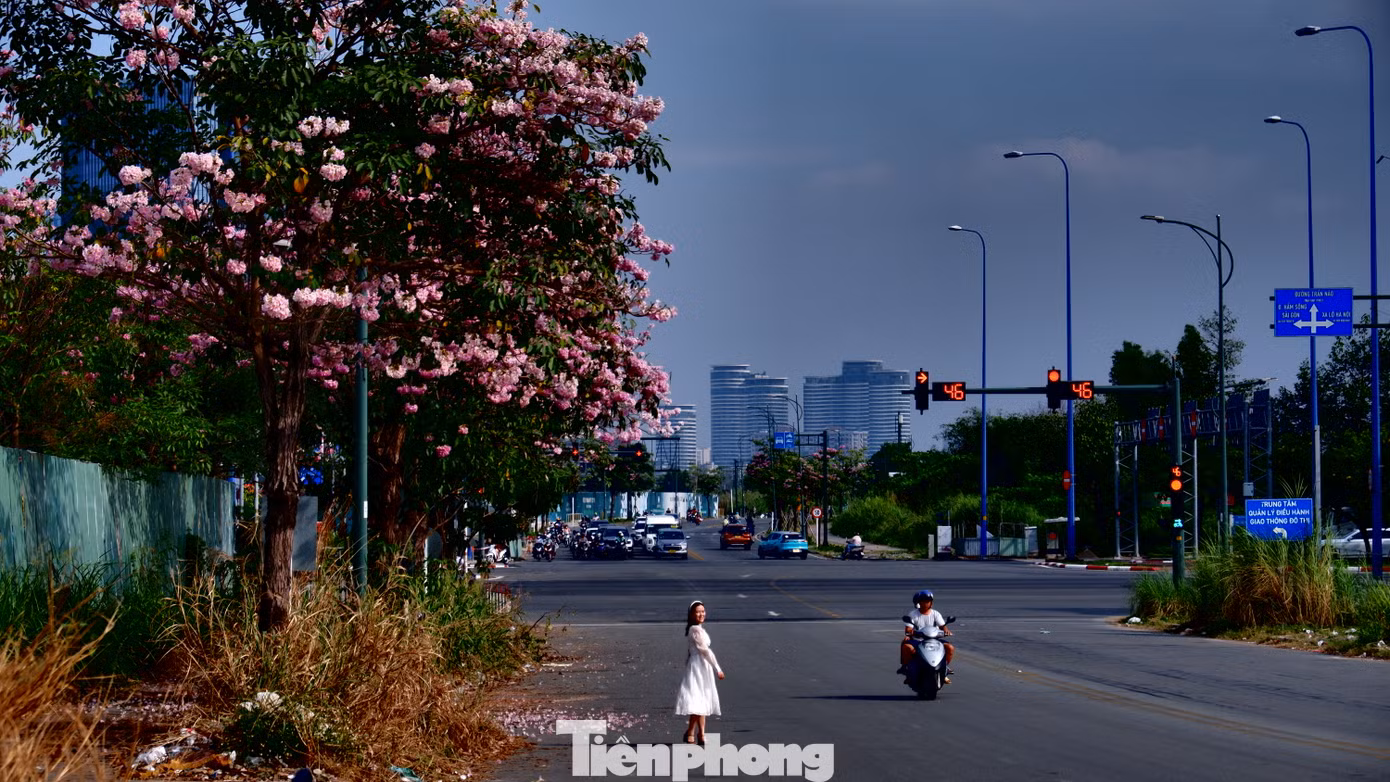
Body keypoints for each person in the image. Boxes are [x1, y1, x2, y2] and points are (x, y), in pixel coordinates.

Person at [675, 600, 724, 745]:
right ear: (691, 614)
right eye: (698, 611)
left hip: (702, 666)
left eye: (703, 611)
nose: (701, 614)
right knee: (698, 700)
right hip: (699, 666)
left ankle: (701, 733)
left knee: (703, 699)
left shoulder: (699, 629)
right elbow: (705, 651)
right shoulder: (695, 630)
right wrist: (718, 668)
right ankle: (691, 731)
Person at [899, 589, 954, 682]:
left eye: (928, 601)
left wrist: (946, 631)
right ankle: (907, 670)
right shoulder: (913, 614)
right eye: (924, 601)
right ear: (919, 603)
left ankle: (944, 669)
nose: (926, 603)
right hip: (918, 640)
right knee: (906, 647)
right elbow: (908, 629)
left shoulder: (936, 614)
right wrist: (911, 632)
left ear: (931, 603)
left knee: (950, 648)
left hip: (935, 640)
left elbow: (943, 627)